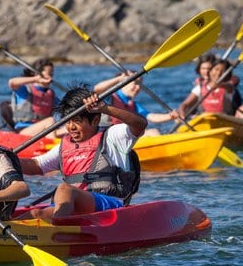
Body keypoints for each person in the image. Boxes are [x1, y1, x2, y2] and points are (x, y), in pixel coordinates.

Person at [19, 85, 147, 220]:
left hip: (110, 206)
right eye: (67, 121)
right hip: (72, 207)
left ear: (96, 120)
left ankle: (60, 226)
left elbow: (140, 124)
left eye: (77, 121)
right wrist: (7, 159)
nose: (71, 127)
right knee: (35, 214)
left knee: (63, 189)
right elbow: (36, 165)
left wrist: (105, 109)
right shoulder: (64, 146)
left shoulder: (113, 136)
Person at [93, 72, 178, 136]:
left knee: (153, 131)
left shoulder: (133, 105)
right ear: (123, 84)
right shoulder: (109, 98)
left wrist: (171, 116)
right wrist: (119, 79)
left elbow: (151, 117)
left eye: (139, 84)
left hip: (124, 136)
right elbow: (97, 89)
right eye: (135, 83)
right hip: (108, 136)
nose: (138, 87)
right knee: (152, 133)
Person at [6, 58, 67, 138]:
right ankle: (55, 148)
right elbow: (11, 82)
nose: (50, 78)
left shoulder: (51, 95)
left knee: (70, 127)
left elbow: (65, 109)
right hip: (24, 131)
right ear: (38, 74)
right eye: (48, 74)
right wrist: (36, 79)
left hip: (43, 131)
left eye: (51, 74)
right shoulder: (24, 89)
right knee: (50, 121)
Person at [178, 59, 243, 120]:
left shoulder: (229, 87)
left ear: (227, 74)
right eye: (216, 69)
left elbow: (229, 86)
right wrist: (182, 113)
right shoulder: (200, 87)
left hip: (226, 120)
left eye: (223, 71)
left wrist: (217, 85)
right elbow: (185, 104)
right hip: (206, 120)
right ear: (210, 71)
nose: (218, 73)